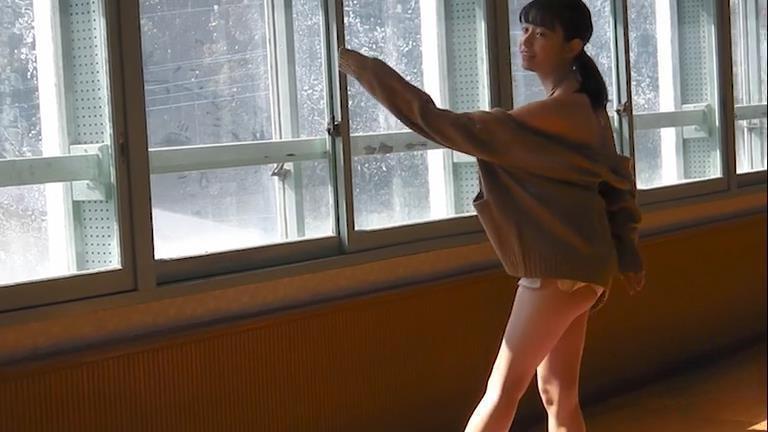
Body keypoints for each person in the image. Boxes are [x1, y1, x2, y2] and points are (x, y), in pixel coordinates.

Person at [338, 0, 646, 430]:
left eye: (542, 34)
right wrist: (627, 256)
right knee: (558, 395)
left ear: (573, 46)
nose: (526, 41)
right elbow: (616, 185)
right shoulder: (584, 105)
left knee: (502, 391)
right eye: (525, 29)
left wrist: (364, 68)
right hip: (583, 268)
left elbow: (443, 124)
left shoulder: (562, 110)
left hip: (561, 270)